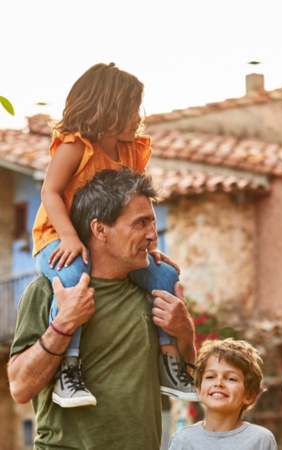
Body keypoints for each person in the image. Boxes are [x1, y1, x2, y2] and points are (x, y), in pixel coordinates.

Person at [31, 62, 197, 407]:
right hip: (57, 239)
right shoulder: (75, 147)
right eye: (132, 109)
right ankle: (68, 369)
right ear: (108, 109)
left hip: (106, 244)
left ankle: (168, 362)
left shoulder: (130, 152)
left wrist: (150, 246)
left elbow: (136, 209)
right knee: (74, 278)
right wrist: (69, 237)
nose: (139, 117)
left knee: (165, 275)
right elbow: (50, 192)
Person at [8, 167, 197, 449]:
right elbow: (20, 388)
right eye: (140, 223)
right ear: (99, 229)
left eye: (153, 223)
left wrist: (184, 332)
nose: (152, 235)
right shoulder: (49, 291)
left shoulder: (152, 292)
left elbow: (189, 375)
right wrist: (64, 323)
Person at [168, 338, 278, 450]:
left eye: (230, 378)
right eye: (210, 377)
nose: (218, 383)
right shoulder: (182, 440)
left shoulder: (261, 439)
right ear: (199, 390)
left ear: (249, 395)